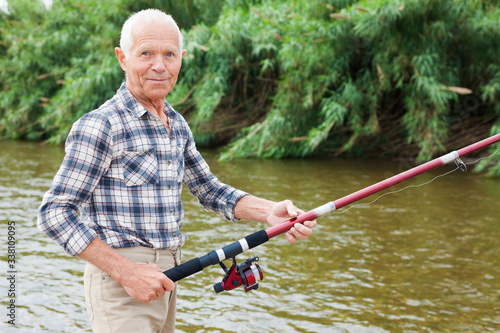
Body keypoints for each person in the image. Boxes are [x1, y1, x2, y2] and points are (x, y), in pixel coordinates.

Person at [37, 8, 316, 333]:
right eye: (146, 53)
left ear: (181, 59)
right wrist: (127, 272)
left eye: (169, 54)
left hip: (171, 275)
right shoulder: (101, 125)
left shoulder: (177, 124)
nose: (160, 65)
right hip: (121, 282)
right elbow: (55, 214)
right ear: (123, 58)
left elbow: (210, 190)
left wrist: (270, 211)